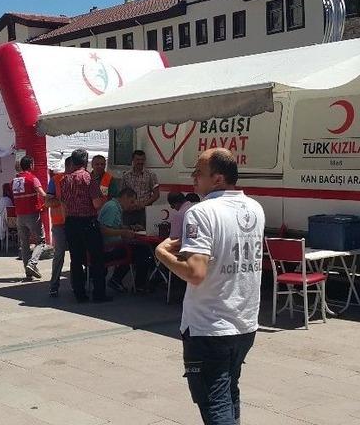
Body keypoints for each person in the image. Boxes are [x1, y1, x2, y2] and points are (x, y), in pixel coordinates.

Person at [155, 148, 265, 424]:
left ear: (217, 178)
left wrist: (162, 253)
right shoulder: (254, 208)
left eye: (198, 173)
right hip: (245, 323)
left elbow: (195, 273)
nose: (193, 178)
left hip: (209, 327)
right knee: (229, 393)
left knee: (214, 401)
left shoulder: (201, 212)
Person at [61, 149, 111, 303]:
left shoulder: (65, 179)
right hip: (88, 222)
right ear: (86, 161)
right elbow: (96, 203)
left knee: (76, 259)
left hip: (71, 222)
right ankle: (99, 293)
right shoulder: (88, 178)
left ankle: (79, 293)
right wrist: (103, 199)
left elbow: (63, 203)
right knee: (97, 258)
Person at [99, 187, 156, 293]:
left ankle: (118, 279)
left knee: (138, 249)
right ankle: (139, 284)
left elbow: (115, 226)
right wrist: (123, 233)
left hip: (113, 245)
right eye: (131, 201)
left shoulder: (115, 207)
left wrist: (131, 227)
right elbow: (103, 230)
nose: (133, 205)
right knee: (142, 252)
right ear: (124, 197)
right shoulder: (112, 208)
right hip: (108, 247)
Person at [12, 155, 48, 280]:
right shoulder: (32, 178)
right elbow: (42, 194)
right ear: (31, 165)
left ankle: (28, 273)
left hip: (19, 215)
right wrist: (52, 199)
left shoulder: (14, 181)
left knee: (24, 244)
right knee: (41, 242)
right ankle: (32, 264)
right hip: (32, 214)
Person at [45, 157, 72, 297]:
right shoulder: (55, 180)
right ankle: (54, 285)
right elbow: (48, 202)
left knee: (77, 254)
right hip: (59, 223)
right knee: (59, 253)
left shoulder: (79, 179)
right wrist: (61, 201)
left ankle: (77, 284)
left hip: (75, 222)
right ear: (69, 166)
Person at [121, 150, 160, 228]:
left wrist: (144, 204)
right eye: (138, 159)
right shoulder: (126, 176)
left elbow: (156, 194)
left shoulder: (151, 175)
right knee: (127, 232)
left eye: (142, 159)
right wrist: (126, 206)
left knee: (143, 232)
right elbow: (122, 194)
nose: (140, 162)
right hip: (129, 212)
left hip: (144, 211)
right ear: (133, 160)